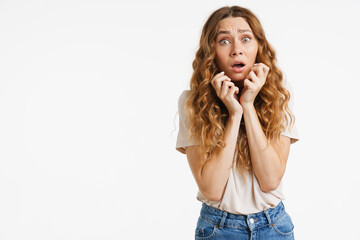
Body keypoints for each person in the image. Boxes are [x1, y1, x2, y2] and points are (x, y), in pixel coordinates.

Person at [175, 5, 300, 240]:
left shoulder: (280, 94)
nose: (236, 50)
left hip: (273, 227)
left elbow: (270, 180)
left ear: (258, 47)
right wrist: (234, 115)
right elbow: (211, 190)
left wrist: (248, 106)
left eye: (246, 39)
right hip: (218, 229)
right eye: (224, 41)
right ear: (210, 50)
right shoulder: (192, 102)